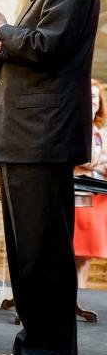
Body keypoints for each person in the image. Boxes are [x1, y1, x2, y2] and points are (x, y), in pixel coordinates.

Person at [0, 0, 99, 355]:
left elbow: (49, 47)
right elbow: (29, 53)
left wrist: (2, 30)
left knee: (43, 255)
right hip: (24, 137)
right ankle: (31, 343)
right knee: (23, 251)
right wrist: (0, 46)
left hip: (42, 138)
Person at [73, 80, 107, 288]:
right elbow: (82, 160)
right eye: (88, 96)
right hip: (76, 196)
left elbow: (95, 162)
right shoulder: (73, 126)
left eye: (95, 97)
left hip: (98, 198)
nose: (92, 101)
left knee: (86, 256)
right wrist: (98, 162)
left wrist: (96, 163)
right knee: (71, 253)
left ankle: (80, 297)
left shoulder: (102, 133)